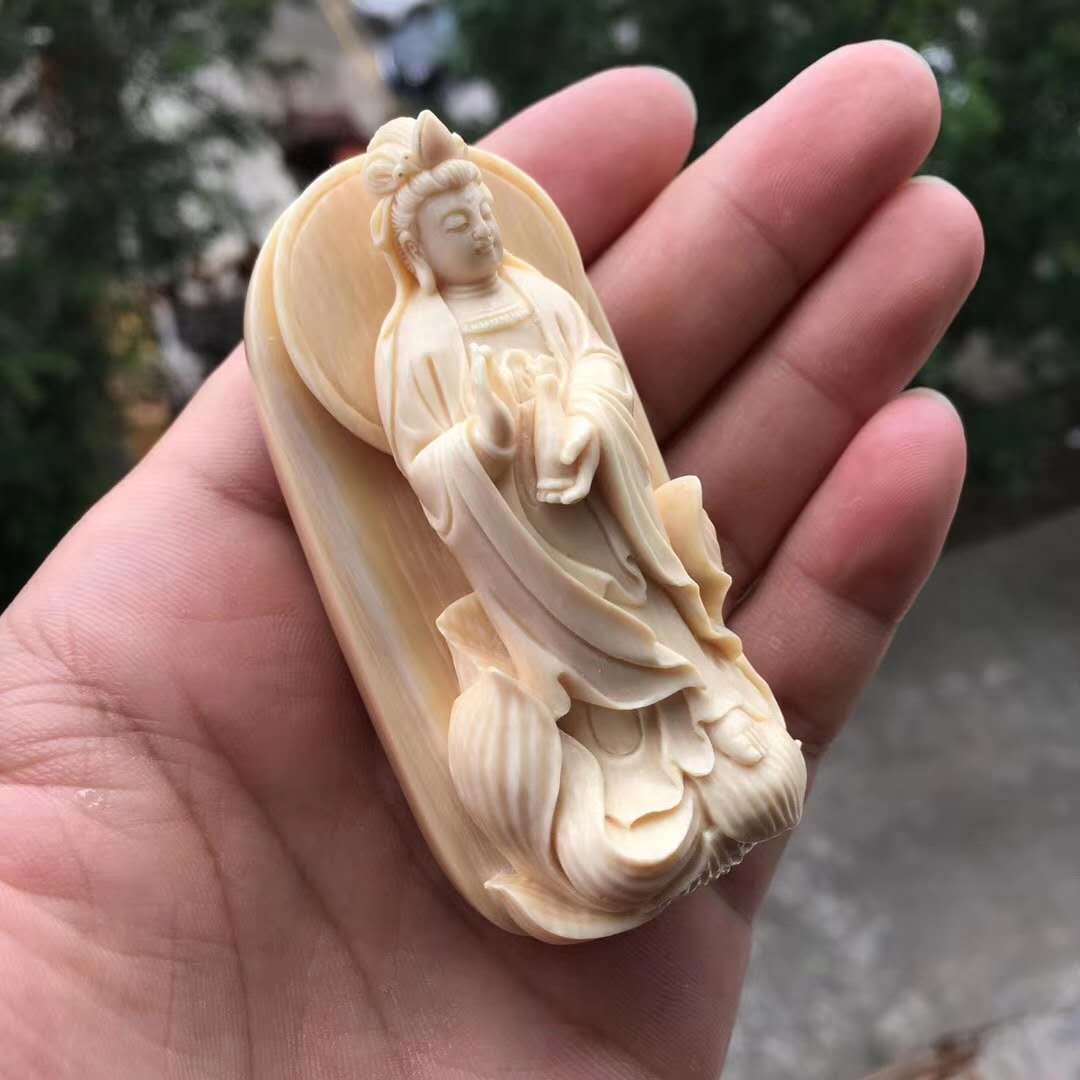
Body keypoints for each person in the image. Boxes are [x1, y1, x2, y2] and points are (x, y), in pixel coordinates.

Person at [0, 42, 980, 1078]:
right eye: (452, 218)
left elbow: (598, 369)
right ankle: (614, 787)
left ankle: (701, 732)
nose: (475, 224)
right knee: (584, 672)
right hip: (525, 555)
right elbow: (426, 466)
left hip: (602, 515)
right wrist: (493, 449)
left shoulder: (544, 295)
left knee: (667, 631)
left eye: (476, 205)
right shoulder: (415, 342)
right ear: (415, 247)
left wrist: (585, 424)